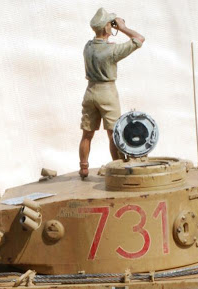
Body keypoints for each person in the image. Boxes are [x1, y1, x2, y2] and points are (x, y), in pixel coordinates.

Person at [79, 8, 145, 178]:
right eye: (111, 24)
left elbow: (98, 45)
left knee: (87, 134)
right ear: (107, 27)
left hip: (90, 90)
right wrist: (122, 28)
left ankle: (84, 167)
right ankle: (117, 167)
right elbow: (139, 39)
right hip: (107, 92)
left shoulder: (88, 47)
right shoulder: (112, 51)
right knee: (113, 134)